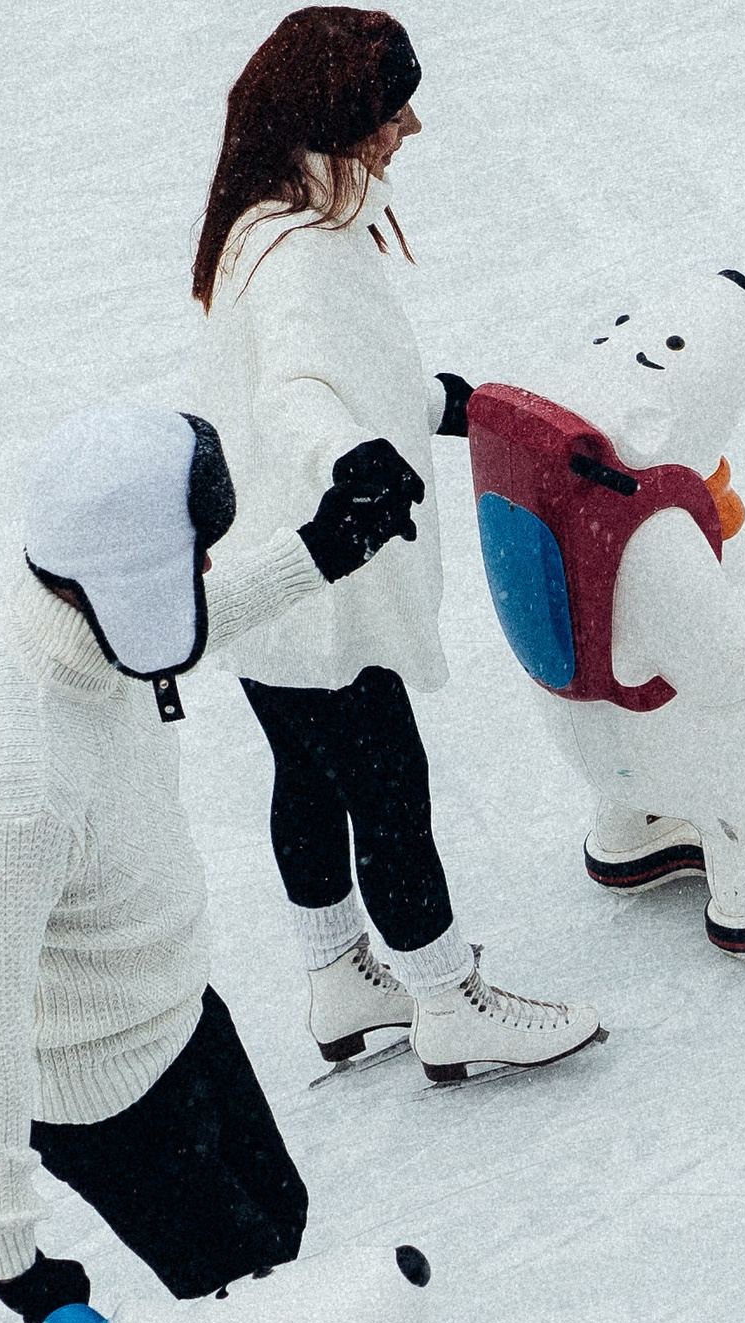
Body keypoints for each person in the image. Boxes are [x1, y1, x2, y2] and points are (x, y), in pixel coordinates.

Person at [0, 403, 430, 1323]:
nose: (204, 564)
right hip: (104, 1097)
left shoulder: (79, 623)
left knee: (276, 1220)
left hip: (175, 1009)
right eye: (192, 546)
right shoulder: (10, 790)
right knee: (239, 1293)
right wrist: (13, 1254)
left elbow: (176, 622)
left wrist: (324, 548)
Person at [191, 7, 603, 1083]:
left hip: (260, 578)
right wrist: (353, 463)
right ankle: (442, 995)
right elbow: (296, 390)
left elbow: (330, 369)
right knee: (387, 788)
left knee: (308, 775)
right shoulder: (301, 254)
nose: (410, 124)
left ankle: (338, 975)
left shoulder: (260, 226)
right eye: (390, 105)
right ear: (337, 116)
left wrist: (428, 404)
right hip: (323, 575)